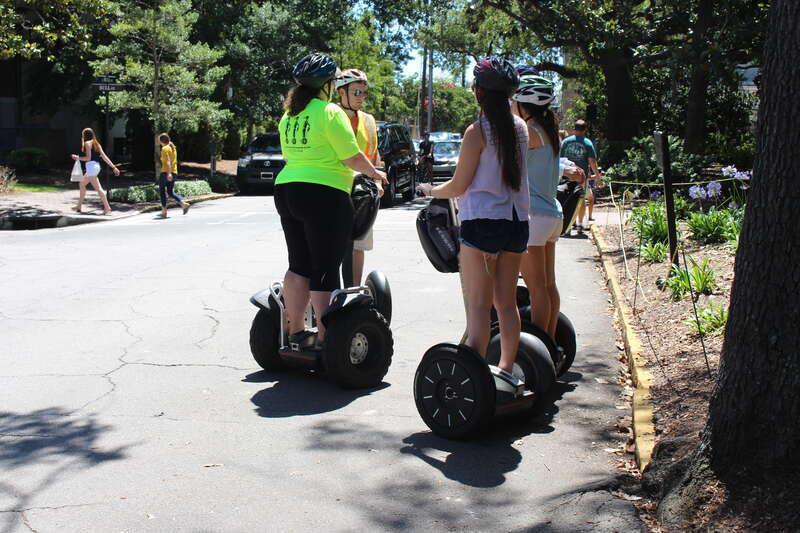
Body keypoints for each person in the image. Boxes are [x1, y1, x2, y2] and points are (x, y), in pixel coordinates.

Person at [417, 57, 528, 382]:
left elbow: (459, 185)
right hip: (517, 222)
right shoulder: (520, 127)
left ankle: (475, 377)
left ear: (478, 91)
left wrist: (429, 190)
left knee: (479, 306)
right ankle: (507, 371)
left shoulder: (477, 132)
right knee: (506, 304)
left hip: (481, 224)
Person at [274, 53, 386, 347]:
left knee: (298, 264)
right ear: (327, 85)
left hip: (287, 189)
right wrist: (376, 174)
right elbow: (350, 156)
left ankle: (296, 331)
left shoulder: (289, 115)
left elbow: (290, 156)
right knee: (325, 267)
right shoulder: (329, 112)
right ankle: (328, 339)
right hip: (324, 193)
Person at [511, 75, 583, 344]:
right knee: (548, 285)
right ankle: (550, 343)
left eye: (514, 101)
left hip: (534, 217)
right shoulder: (548, 133)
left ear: (523, 105)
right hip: (552, 216)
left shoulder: (529, 133)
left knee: (536, 288)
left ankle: (538, 346)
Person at [335, 68, 385, 286]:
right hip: (335, 190)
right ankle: (328, 295)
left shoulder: (369, 120)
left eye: (364, 93)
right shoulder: (330, 116)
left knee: (358, 246)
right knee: (332, 247)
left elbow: (374, 157)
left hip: (362, 195)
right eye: (356, 92)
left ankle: (353, 293)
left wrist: (375, 182)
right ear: (341, 93)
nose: (361, 98)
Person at [560, 119, 601, 233]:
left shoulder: (565, 142)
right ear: (585, 130)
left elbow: (559, 159)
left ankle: (566, 225)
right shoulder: (587, 143)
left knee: (565, 198)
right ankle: (579, 224)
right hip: (581, 176)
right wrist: (597, 177)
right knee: (580, 199)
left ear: (574, 129)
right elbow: (592, 161)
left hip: (566, 174)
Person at [71, 127, 119, 214]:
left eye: (82, 135)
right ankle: (79, 206)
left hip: (91, 167)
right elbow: (104, 157)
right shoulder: (97, 143)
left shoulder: (87, 143)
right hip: (96, 167)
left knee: (98, 189)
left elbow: (88, 158)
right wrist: (113, 167)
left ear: (84, 136)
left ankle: (107, 208)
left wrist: (77, 158)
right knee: (81, 184)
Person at [157, 133, 190, 218]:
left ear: (161, 141)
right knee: (170, 192)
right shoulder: (173, 148)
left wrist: (168, 173)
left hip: (166, 173)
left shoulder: (165, 148)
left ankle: (164, 211)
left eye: (159, 140)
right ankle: (183, 204)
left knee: (162, 191)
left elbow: (167, 161)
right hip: (174, 172)